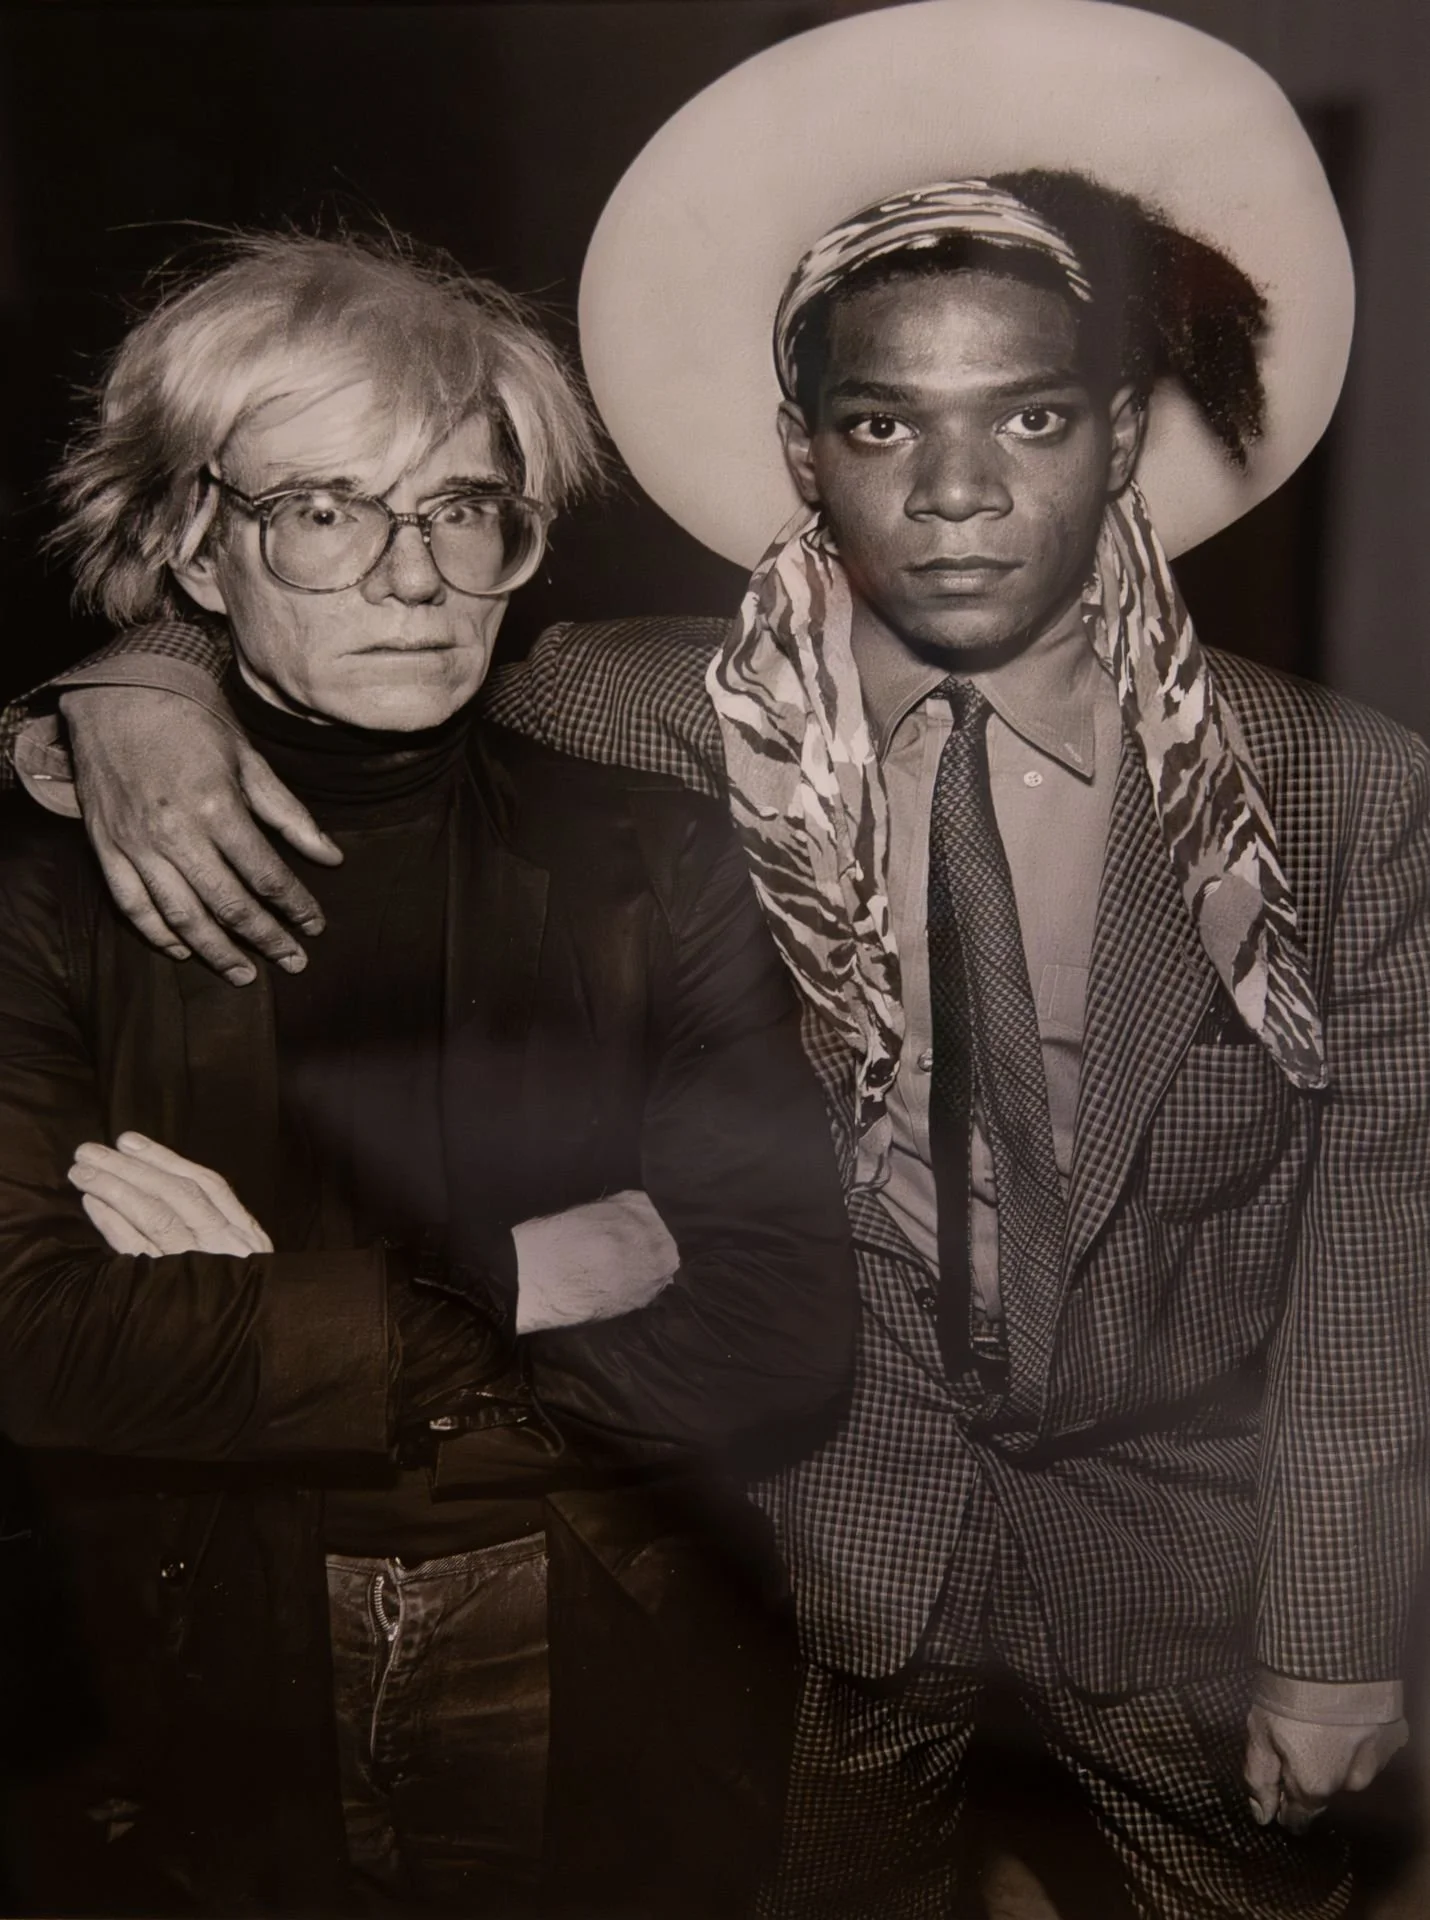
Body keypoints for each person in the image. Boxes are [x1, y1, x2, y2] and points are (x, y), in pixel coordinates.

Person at [5, 4, 1429, 1915]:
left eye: (1028, 417)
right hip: (794, 1550)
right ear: (800, 455)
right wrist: (132, 687)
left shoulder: (1339, 790)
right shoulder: (643, 712)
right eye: (880, 424)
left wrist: (1329, 1633)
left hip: (1178, 1561)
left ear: (1121, 438)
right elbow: (350, 629)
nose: (953, 490)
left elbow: (1371, 1238)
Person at [0, 230, 856, 1918]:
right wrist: (513, 1279)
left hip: (619, 1639)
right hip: (204, 1671)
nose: (413, 579)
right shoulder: (45, 893)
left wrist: (275, 1321)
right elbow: (33, 1339)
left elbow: (778, 1321)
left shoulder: (664, 854)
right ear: (196, 547)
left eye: (463, 509)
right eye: (326, 511)